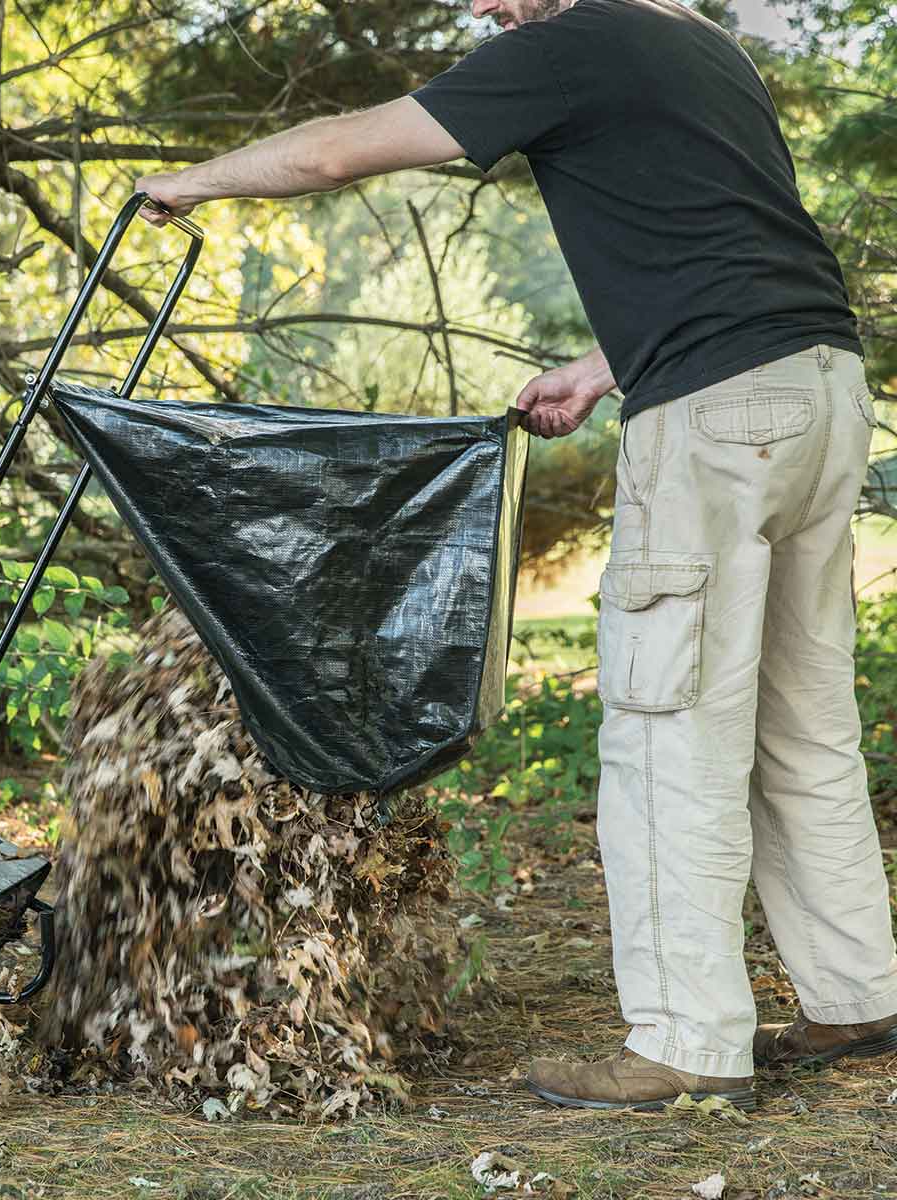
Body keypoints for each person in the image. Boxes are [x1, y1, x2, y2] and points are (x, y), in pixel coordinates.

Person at [135, 0, 896, 1111]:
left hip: (720, 423)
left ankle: (686, 1040)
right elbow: (725, 246)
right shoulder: (703, 48)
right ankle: (859, 993)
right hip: (820, 394)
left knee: (666, 726)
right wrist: (603, 364)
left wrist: (193, 180)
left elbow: (338, 149)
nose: (486, 8)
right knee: (803, 723)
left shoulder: (569, 43)